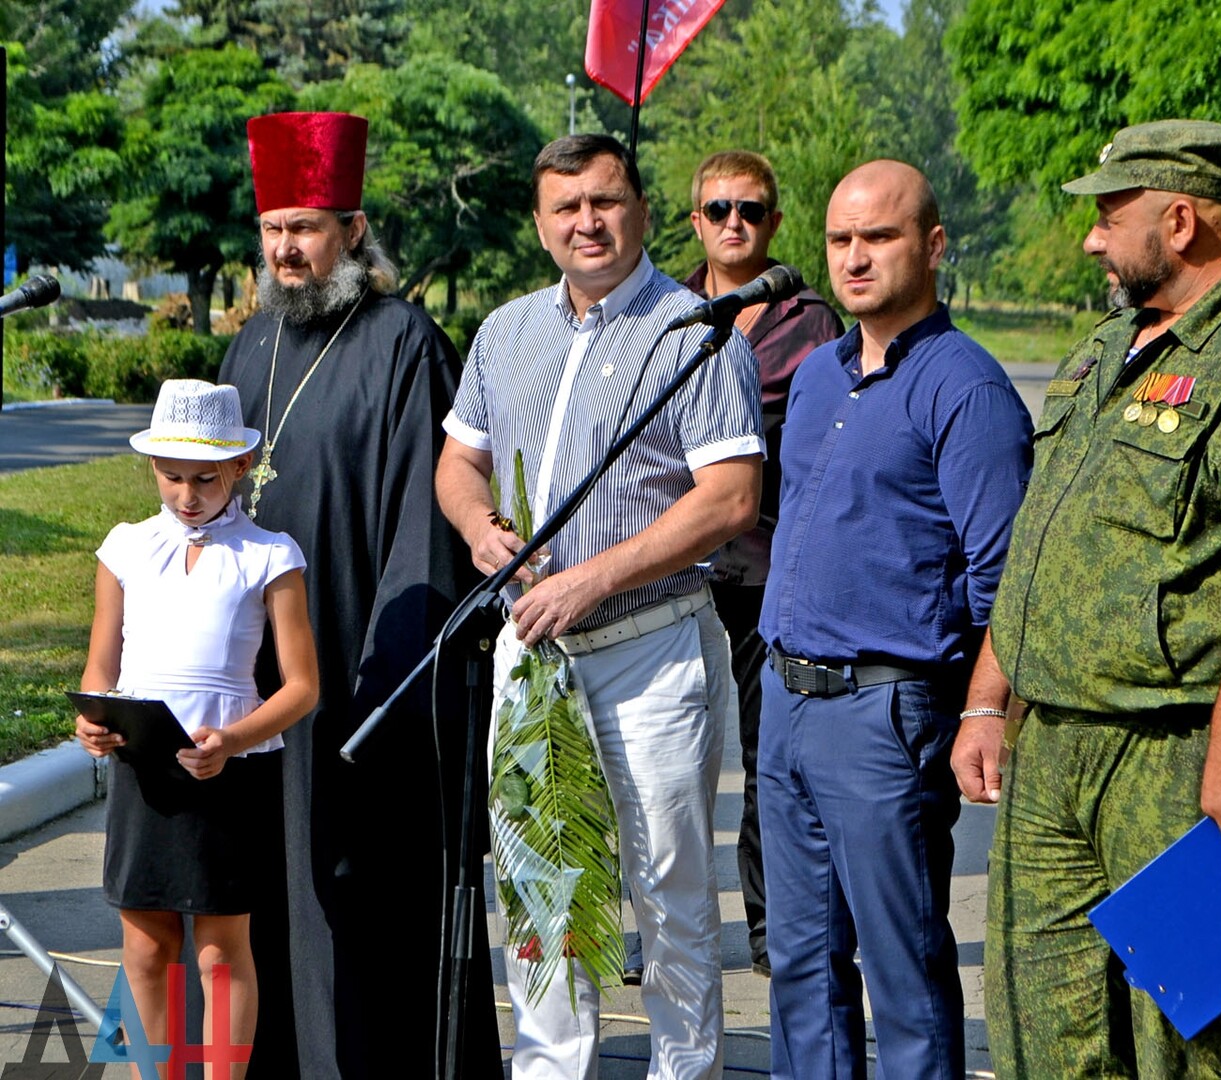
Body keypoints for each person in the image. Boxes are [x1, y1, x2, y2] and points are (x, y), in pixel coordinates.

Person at [951, 119, 1221, 1077]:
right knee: (1042, 1038)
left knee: (1185, 1047)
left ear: (1178, 220)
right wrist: (990, 696)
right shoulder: (1103, 350)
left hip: (1182, 755)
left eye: (1109, 215)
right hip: (1054, 748)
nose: (1092, 239)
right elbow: (1045, 546)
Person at [435, 132, 763, 1079]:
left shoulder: (693, 332)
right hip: (532, 658)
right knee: (540, 881)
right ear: (539, 225)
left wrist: (592, 576)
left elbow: (731, 498)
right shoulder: (506, 331)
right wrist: (478, 531)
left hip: (649, 649)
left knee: (666, 889)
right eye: (567, 206)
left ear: (643, 212)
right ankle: (551, 1069)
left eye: (607, 201)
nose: (589, 221)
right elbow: (460, 459)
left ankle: (682, 1068)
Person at [218, 112, 492, 1078]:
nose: (287, 248)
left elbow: (423, 532)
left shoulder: (403, 342)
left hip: (351, 677)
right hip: (247, 682)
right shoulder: (249, 346)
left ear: (354, 232)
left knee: (349, 896)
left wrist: (384, 686)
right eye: (273, 228)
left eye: (307, 226)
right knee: (257, 893)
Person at [757, 160, 1034, 1079]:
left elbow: (1005, 579)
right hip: (786, 700)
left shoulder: (968, 390)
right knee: (799, 966)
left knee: (901, 967)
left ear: (932, 244)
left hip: (885, 712)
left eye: (878, 237)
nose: (855, 257)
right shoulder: (818, 377)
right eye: (840, 240)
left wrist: (984, 710)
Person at [74, 379, 319, 1080]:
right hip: (143, 767)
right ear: (151, 467)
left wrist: (233, 742)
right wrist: (91, 717)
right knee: (147, 944)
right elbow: (101, 666)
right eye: (172, 476)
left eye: (205, 478)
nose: (187, 494)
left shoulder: (271, 554)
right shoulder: (124, 547)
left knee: (219, 949)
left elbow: (302, 685)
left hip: (228, 770)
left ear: (239, 468)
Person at [681, 150, 843, 979]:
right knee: (666, 768)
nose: (733, 222)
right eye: (718, 209)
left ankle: (767, 933)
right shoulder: (664, 311)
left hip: (762, 573)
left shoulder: (811, 321)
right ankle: (672, 937)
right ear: (696, 219)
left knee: (763, 762)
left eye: (750, 209)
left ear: (775, 222)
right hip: (665, 574)